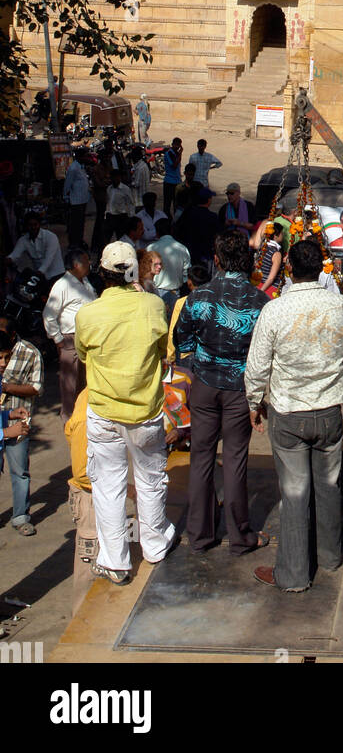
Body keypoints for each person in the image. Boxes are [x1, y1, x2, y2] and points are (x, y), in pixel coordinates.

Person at [244, 238, 343, 594]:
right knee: (329, 485)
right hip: (329, 411)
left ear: (289, 270)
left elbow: (257, 366)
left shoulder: (275, 310)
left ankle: (294, 575)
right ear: (322, 268)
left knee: (295, 491)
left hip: (289, 413)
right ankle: (329, 556)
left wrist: (254, 403)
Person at [74, 241, 176, 585]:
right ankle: (154, 546)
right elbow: (165, 351)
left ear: (102, 274)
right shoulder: (153, 306)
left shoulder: (87, 314)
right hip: (145, 413)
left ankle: (116, 561)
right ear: (135, 271)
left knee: (109, 488)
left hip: (104, 412)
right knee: (150, 482)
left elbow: (84, 355)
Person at [174, 229, 270, 556]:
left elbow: (182, 342)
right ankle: (240, 536)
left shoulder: (198, 297)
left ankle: (200, 535)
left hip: (203, 387)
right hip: (239, 390)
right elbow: (264, 354)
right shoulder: (260, 302)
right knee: (234, 460)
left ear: (215, 260)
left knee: (201, 458)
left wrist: (199, 365)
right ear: (248, 260)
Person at [43, 247, 97, 423]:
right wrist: (58, 340)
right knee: (70, 383)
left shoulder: (85, 281)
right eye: (86, 261)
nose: (89, 264)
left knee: (86, 381)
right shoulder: (62, 285)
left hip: (88, 337)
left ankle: (82, 416)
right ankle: (69, 418)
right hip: (70, 339)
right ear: (76, 265)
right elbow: (49, 315)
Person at [0, 322, 44, 535]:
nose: (3, 364)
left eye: (6, 358)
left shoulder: (30, 353)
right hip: (9, 427)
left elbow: (36, 387)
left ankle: (20, 516)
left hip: (16, 424)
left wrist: (9, 411)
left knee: (19, 471)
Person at [65, 386, 99, 611]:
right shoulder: (88, 411)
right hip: (89, 500)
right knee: (88, 570)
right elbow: (82, 472)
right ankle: (81, 621)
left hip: (99, 496)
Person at [8, 209, 65, 282]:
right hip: (39, 277)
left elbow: (49, 259)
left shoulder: (51, 237)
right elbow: (14, 255)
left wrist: (38, 273)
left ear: (39, 224)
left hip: (56, 275)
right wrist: (8, 259)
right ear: (26, 226)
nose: (33, 227)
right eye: (30, 225)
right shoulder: (23, 240)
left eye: (35, 224)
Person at [148, 230, 191, 320]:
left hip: (155, 292)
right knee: (173, 325)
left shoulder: (151, 248)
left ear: (157, 232)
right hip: (174, 292)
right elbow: (186, 274)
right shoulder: (182, 248)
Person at [174, 187, 219, 269]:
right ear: (209, 200)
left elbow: (178, 230)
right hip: (205, 255)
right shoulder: (212, 217)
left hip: (188, 253)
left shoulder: (187, 213)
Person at [63, 151, 91, 249]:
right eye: (84, 156)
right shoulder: (73, 168)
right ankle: (73, 243)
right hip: (76, 200)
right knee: (75, 223)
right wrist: (66, 197)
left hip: (83, 199)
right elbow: (67, 184)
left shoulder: (81, 167)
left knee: (80, 223)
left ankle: (79, 241)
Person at [250, 219, 284, 298]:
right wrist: (261, 292)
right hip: (269, 289)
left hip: (258, 285)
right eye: (282, 233)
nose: (283, 235)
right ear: (276, 235)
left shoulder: (261, 247)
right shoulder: (276, 253)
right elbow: (271, 278)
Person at [105, 169, 136, 243]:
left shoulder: (125, 189)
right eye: (113, 177)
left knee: (121, 239)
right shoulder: (109, 189)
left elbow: (131, 203)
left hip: (121, 217)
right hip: (110, 216)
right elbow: (108, 202)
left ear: (120, 178)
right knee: (106, 238)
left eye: (117, 177)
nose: (115, 179)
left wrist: (131, 217)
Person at [90, 154, 111, 253]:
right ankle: (96, 245)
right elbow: (99, 184)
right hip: (100, 198)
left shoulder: (108, 167)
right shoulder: (96, 169)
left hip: (107, 198)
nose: (107, 159)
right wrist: (107, 182)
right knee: (100, 222)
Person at [163, 137, 184, 217]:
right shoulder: (169, 153)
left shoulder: (175, 153)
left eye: (178, 145)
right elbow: (174, 165)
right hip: (170, 182)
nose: (177, 147)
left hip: (176, 182)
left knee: (176, 205)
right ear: (172, 144)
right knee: (167, 204)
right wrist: (180, 153)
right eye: (176, 145)